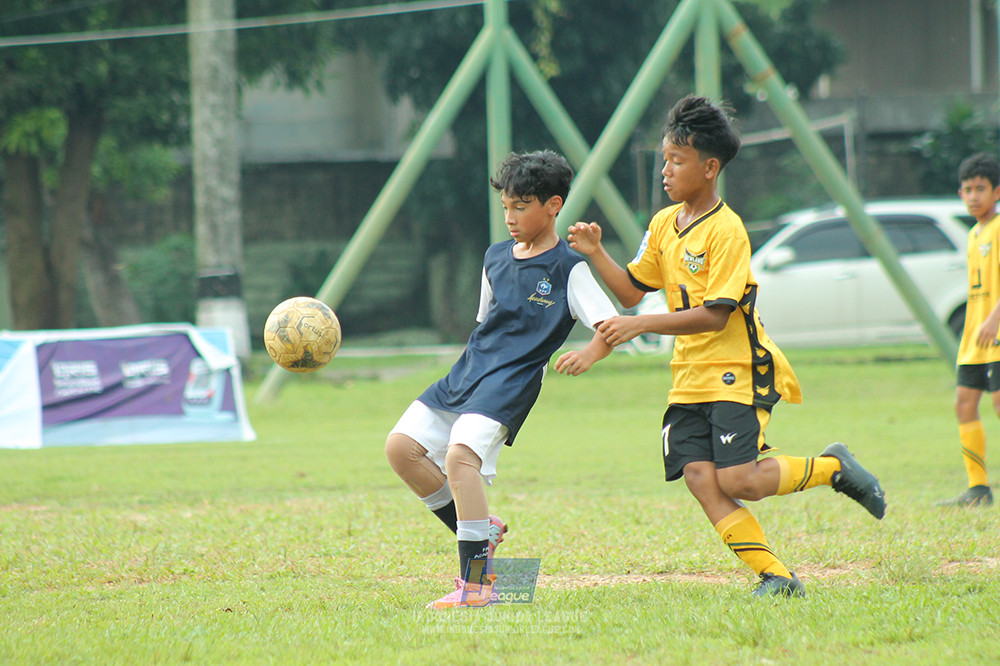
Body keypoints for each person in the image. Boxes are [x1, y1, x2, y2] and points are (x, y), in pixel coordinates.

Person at [567, 95, 886, 598]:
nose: (666, 172)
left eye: (676, 161)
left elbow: (716, 316)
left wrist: (642, 325)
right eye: (664, 160)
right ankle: (776, 576)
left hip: (737, 367)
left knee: (740, 481)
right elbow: (631, 289)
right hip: (688, 378)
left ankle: (834, 468)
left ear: (709, 167)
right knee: (699, 476)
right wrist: (597, 252)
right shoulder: (663, 225)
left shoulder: (727, 230)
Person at [385, 150, 619, 609]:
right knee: (400, 449)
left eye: (522, 206)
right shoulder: (494, 258)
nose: (510, 217)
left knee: (459, 459)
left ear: (553, 205)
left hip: (510, 384)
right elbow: (487, 324)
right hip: (469, 372)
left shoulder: (568, 267)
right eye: (506, 206)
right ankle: (483, 530)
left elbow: (611, 325)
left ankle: (477, 586)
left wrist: (589, 354)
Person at [939, 152, 1000, 508]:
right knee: (964, 404)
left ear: (996, 192)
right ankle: (978, 488)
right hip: (976, 338)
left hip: (995, 331)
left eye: (980, 188)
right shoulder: (974, 234)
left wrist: (994, 319)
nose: (973, 195)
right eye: (967, 189)